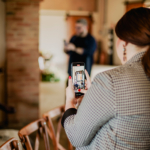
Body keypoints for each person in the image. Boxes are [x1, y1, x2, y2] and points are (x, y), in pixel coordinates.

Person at [61, 7, 150, 149]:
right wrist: (94, 97)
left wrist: (69, 102)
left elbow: (76, 137)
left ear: (123, 43)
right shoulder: (74, 37)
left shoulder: (110, 80)